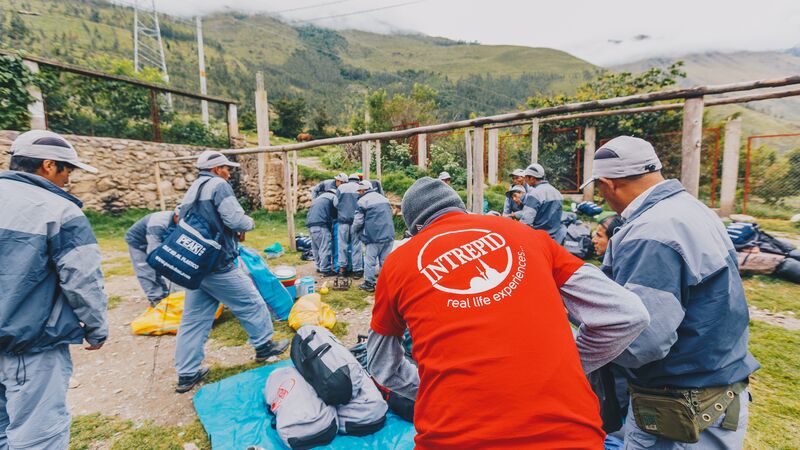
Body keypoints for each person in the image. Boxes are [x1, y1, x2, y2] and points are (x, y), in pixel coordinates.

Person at [368, 176, 650, 449]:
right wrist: (568, 364)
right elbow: (627, 313)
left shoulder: (398, 263)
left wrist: (438, 387)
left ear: (415, 228)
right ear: (462, 209)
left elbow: (382, 366)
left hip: (453, 438)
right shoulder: (526, 235)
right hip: (570, 435)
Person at [582, 136, 760, 449]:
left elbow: (642, 342)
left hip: (680, 405)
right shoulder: (692, 209)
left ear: (607, 184)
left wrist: (576, 355)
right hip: (719, 385)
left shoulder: (652, 233)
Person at [0, 130, 108, 449]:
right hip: (28, 345)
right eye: (67, 170)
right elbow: (83, 279)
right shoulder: (60, 211)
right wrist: (97, 328)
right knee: (38, 435)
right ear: (48, 166)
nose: (68, 179)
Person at [174, 151, 288, 393]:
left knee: (193, 319)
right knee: (252, 302)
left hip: (196, 265)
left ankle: (187, 373)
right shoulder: (218, 185)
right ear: (216, 169)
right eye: (226, 168)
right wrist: (249, 223)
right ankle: (264, 347)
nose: (229, 172)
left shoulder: (192, 189)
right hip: (218, 263)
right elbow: (235, 219)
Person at [125, 208, 180, 306]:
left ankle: (165, 296)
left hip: (155, 239)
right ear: (176, 215)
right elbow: (153, 254)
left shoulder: (177, 220)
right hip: (138, 242)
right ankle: (156, 300)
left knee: (158, 271)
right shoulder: (157, 224)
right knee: (146, 271)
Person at [352, 180, 395, 292]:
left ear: (363, 190)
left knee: (369, 261)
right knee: (385, 261)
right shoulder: (384, 198)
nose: (358, 193)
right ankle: (385, 284)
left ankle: (369, 284)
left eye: (359, 191)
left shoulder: (362, 201)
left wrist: (354, 231)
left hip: (373, 236)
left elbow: (358, 221)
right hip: (389, 233)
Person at [520, 163, 567, 243]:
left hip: (539, 239)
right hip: (555, 240)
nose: (525, 180)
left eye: (526, 178)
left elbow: (526, 221)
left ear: (532, 178)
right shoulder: (557, 192)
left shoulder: (534, 194)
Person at [335, 173, 364, 278]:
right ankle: (357, 270)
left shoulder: (341, 188)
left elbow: (335, 203)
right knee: (356, 246)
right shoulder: (360, 188)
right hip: (356, 222)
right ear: (358, 180)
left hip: (343, 222)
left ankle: (342, 270)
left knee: (342, 245)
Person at [306, 187, 338, 277]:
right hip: (321, 224)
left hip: (310, 224)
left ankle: (319, 266)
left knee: (316, 247)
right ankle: (325, 269)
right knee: (325, 247)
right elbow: (335, 213)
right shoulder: (333, 197)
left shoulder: (319, 198)